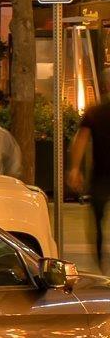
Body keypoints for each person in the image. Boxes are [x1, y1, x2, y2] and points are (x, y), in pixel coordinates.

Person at [71, 96, 110, 267]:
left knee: (97, 219)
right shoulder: (94, 112)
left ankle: (101, 261)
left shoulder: (95, 112)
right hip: (101, 174)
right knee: (97, 219)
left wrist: (75, 168)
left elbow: (81, 139)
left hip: (101, 173)